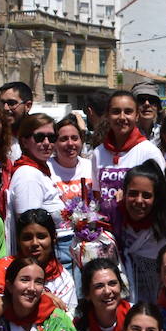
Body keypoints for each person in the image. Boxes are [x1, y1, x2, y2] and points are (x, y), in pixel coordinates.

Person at [0, 209, 77, 312]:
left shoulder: (63, 281)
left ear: (53, 238)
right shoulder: (5, 267)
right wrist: (39, 296)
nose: (34, 243)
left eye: (41, 236)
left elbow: (65, 322)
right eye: (27, 238)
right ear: (18, 241)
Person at [92, 90, 161, 224]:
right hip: (107, 231)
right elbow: (97, 195)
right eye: (116, 111)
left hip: (138, 231)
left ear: (136, 116)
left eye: (128, 112)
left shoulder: (149, 152)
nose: (122, 117)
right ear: (107, 115)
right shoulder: (98, 153)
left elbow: (159, 196)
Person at [115, 163, 166, 304]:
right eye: (133, 194)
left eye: (146, 196)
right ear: (124, 193)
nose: (139, 201)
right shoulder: (112, 220)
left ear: (156, 199)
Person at [49, 113, 94, 273]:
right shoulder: (46, 169)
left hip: (88, 242)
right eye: (63, 139)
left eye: (74, 138)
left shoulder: (90, 166)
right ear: (55, 143)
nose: (70, 143)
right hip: (60, 244)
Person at [73, 258, 129, 331]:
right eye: (99, 286)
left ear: (121, 286)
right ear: (87, 293)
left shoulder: (137, 318)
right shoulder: (77, 328)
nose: (107, 291)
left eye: (112, 283)